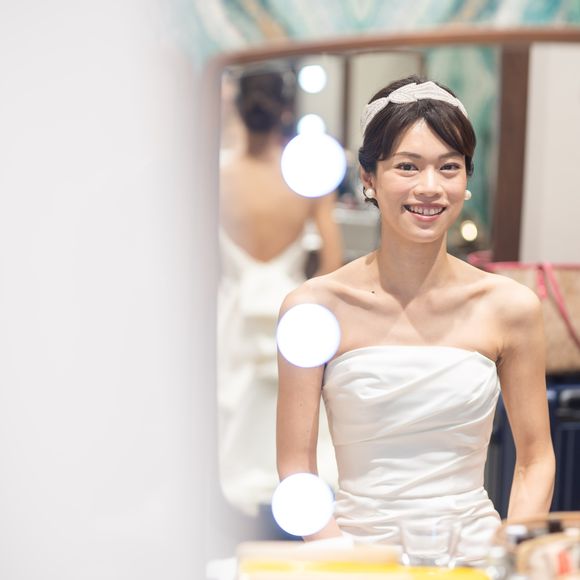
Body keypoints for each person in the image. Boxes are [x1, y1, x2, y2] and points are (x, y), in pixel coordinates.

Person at [276, 74, 555, 563]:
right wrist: (345, 561)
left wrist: (508, 557)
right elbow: (296, 469)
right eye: (407, 166)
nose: (430, 188)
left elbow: (535, 459)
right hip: (355, 560)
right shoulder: (314, 309)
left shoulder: (510, 308)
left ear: (466, 179)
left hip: (476, 560)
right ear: (368, 177)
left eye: (449, 168)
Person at [217, 67, 343, 524]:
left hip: (230, 317)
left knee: (228, 422)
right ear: (286, 112)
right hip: (294, 318)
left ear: (238, 109)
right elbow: (332, 259)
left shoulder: (218, 176)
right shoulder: (305, 178)